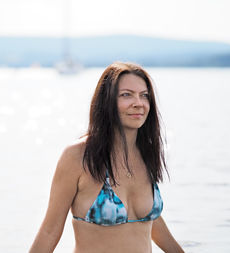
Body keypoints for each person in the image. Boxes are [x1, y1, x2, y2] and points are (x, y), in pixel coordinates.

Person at [29, 62, 184, 253]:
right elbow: (49, 232)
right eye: (126, 95)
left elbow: (148, 219)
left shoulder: (146, 153)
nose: (138, 103)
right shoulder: (79, 156)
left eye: (144, 95)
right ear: (107, 101)